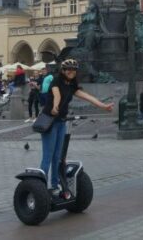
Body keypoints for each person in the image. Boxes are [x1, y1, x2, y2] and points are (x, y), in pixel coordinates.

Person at [41, 59, 113, 193]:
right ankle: (40, 187)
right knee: (48, 155)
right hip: (50, 122)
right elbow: (56, 95)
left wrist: (103, 106)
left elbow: (87, 97)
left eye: (73, 70)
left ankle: (55, 186)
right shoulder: (56, 81)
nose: (71, 72)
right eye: (68, 69)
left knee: (59, 157)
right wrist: (55, 106)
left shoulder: (71, 85)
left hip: (61, 122)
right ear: (63, 70)